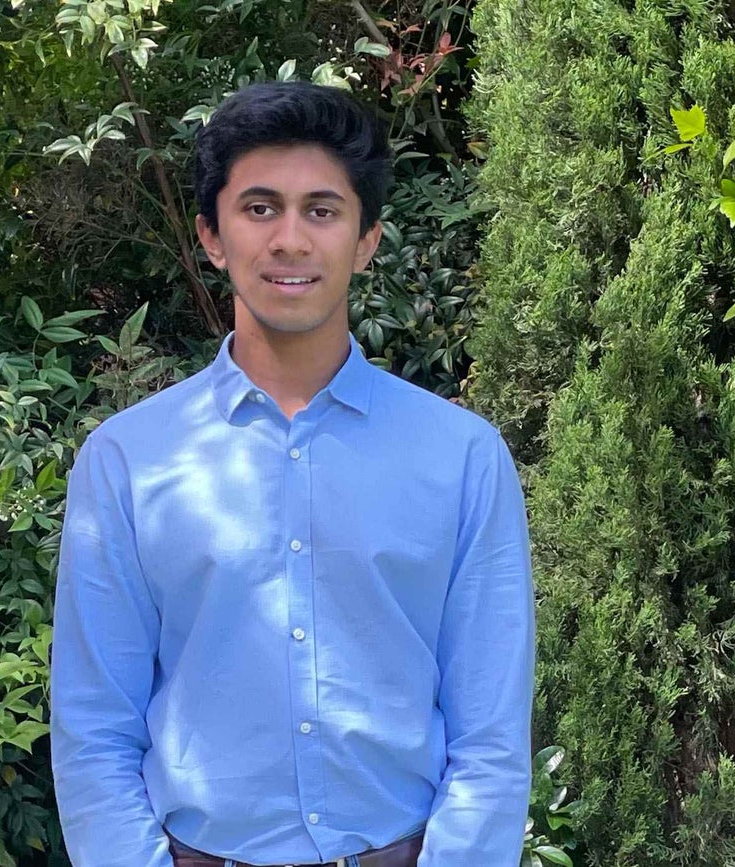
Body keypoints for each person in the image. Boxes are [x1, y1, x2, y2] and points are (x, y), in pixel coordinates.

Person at [50, 80, 535, 867]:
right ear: (213, 235)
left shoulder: (462, 457)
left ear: (366, 239)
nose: (290, 239)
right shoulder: (128, 462)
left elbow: (490, 736)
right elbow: (94, 730)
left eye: (322, 210)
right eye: (260, 207)